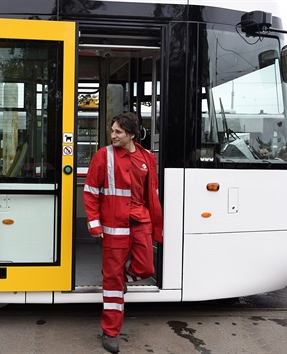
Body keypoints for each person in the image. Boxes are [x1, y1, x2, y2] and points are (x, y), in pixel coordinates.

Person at [83, 112, 163, 353]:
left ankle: (123, 280)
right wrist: (94, 224)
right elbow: (90, 191)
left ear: (131, 134)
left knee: (146, 268)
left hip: (140, 223)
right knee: (112, 282)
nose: (113, 135)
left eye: (118, 131)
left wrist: (156, 225)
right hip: (114, 228)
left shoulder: (147, 158)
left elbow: (152, 193)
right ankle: (110, 332)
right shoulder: (103, 155)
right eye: (112, 131)